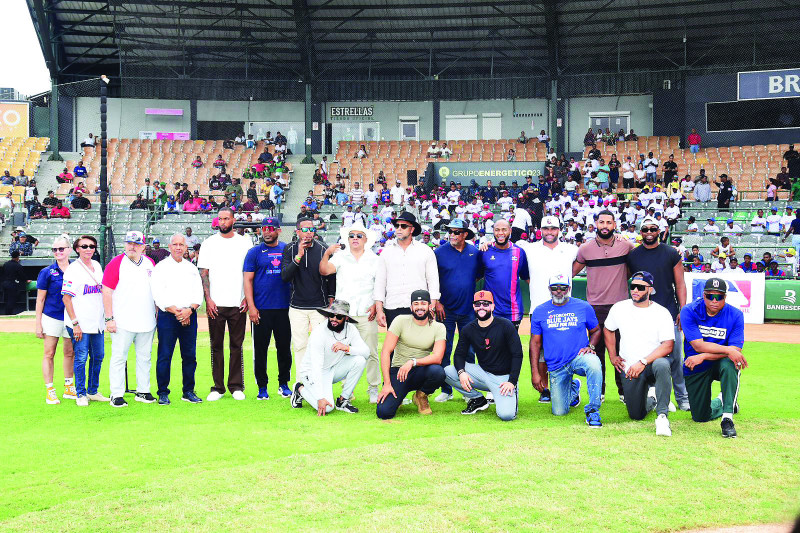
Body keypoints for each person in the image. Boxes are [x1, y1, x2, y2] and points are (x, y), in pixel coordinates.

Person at [626, 217, 690, 411]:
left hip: (669, 313)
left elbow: (680, 283)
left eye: (653, 228)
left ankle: (682, 398)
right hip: (643, 315)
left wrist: (682, 309)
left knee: (676, 358)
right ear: (641, 231)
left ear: (660, 230)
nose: (649, 232)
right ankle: (653, 395)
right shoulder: (633, 255)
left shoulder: (671, 253)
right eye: (645, 229)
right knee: (648, 356)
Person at [604, 271, 676, 436]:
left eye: (640, 287)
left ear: (650, 290)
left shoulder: (661, 312)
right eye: (633, 286)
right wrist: (613, 356)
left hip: (651, 363)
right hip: (629, 367)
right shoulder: (619, 308)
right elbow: (608, 329)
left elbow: (668, 345)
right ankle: (654, 398)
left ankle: (662, 416)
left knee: (662, 364)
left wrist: (643, 362)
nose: (635, 290)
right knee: (636, 415)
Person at [517, 215, 578, 403]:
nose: (549, 232)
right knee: (540, 350)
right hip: (538, 307)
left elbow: (584, 261)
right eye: (546, 229)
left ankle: (568, 385)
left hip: (564, 307)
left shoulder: (571, 249)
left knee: (564, 349)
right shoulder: (529, 248)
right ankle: (544, 389)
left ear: (559, 230)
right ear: (540, 230)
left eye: (553, 229)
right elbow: (507, 247)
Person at [529, 275, 603, 427]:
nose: (558, 291)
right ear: (549, 289)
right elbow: (535, 343)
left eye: (563, 288)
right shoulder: (540, 311)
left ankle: (593, 410)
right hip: (556, 365)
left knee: (594, 363)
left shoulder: (583, 306)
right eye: (554, 288)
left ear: (569, 289)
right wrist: (535, 373)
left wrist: (591, 347)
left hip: (579, 357)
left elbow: (596, 330)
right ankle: (574, 388)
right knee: (560, 411)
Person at [573, 210, 631, 402]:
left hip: (620, 306)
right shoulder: (586, 249)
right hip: (595, 307)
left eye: (609, 222)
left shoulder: (626, 245)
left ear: (615, 225)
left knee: (622, 350)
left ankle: (624, 391)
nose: (605, 226)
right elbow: (569, 273)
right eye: (601, 222)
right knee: (596, 351)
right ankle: (599, 391)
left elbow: (643, 257)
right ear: (595, 224)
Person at [319, 221, 381, 403]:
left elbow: (380, 284)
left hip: (366, 312)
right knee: (342, 352)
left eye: (358, 236)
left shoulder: (375, 259)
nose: (355, 238)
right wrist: (327, 253)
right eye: (352, 235)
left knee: (370, 352)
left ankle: (373, 388)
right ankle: (348, 390)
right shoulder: (340, 257)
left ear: (366, 239)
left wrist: (377, 306)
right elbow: (324, 271)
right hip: (344, 314)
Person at [197, 208, 253, 401]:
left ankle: (236, 386)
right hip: (216, 304)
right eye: (220, 219)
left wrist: (246, 297)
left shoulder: (245, 242)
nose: (222, 222)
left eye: (226, 218)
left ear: (233, 220)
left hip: (238, 303)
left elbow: (249, 273)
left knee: (237, 345)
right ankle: (217, 388)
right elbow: (204, 273)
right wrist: (208, 299)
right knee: (216, 346)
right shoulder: (208, 243)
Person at [680, 278, 746, 438]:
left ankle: (727, 418)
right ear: (703, 295)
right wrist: (725, 351)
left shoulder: (735, 315)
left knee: (731, 363)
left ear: (725, 297)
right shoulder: (689, 311)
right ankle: (722, 401)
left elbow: (735, 350)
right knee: (700, 417)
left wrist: (703, 356)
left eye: (719, 297)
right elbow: (698, 346)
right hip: (695, 366)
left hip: (718, 362)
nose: (714, 301)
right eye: (710, 296)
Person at [443, 290, 522, 420]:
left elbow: (517, 355)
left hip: (503, 379)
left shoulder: (505, 325)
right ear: (473, 306)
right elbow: (458, 355)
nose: (481, 307)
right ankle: (477, 399)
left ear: (492, 306)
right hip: (482, 373)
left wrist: (512, 381)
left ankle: (509, 393)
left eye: (485, 304)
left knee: (506, 415)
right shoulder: (469, 329)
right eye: (478, 304)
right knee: (447, 371)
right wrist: (462, 372)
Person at [102, 231, 157, 407]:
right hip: (122, 320)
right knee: (119, 357)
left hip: (147, 319)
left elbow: (154, 291)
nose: (132, 246)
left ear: (143, 246)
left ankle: (143, 390)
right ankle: (116, 394)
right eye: (129, 243)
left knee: (144, 357)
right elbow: (107, 291)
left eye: (136, 243)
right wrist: (109, 318)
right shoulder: (116, 263)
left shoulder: (150, 263)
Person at [432, 218, 482, 402]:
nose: (452, 235)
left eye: (456, 232)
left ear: (465, 234)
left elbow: (478, 275)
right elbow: (432, 278)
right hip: (445, 310)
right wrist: (436, 301)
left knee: (469, 351)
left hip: (469, 310)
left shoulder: (474, 253)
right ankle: (447, 389)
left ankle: (468, 390)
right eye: (450, 232)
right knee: (444, 350)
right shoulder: (439, 252)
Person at [376, 290, 447, 419]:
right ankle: (399, 396)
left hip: (421, 370)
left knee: (438, 372)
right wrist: (387, 384)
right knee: (384, 412)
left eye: (423, 303)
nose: (420, 307)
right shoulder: (400, 321)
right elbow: (386, 351)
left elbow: (437, 357)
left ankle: (420, 396)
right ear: (411, 307)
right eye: (416, 303)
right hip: (399, 371)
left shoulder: (438, 327)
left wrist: (413, 362)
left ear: (429, 306)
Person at [151, 234, 204, 405]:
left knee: (189, 356)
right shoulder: (160, 267)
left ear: (186, 247)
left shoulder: (191, 268)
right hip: (168, 316)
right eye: (175, 244)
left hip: (189, 315)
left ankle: (188, 391)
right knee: (165, 355)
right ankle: (163, 392)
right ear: (170, 246)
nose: (179, 247)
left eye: (182, 244)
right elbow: (158, 294)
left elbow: (198, 293)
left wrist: (189, 310)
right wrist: (178, 313)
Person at [243, 217, 293, 400]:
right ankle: (262, 387)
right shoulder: (254, 252)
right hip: (261, 310)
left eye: (271, 228)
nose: (266, 231)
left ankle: (283, 384)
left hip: (284, 309)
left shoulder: (287, 249)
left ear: (278, 230)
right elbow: (247, 280)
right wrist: (252, 307)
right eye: (264, 228)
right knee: (261, 350)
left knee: (284, 349)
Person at [290, 300, 368, 415]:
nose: (334, 319)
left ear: (346, 318)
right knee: (327, 408)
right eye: (331, 315)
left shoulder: (351, 329)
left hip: (332, 369)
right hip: (311, 372)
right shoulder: (319, 333)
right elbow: (316, 366)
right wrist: (320, 397)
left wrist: (347, 348)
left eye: (339, 316)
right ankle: (299, 389)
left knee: (360, 361)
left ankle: (343, 400)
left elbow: (366, 352)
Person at [281, 219, 335, 378]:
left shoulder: (323, 249)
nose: (309, 232)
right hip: (297, 307)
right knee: (300, 346)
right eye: (305, 230)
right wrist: (298, 256)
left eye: (311, 229)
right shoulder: (290, 249)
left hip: (320, 306)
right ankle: (301, 382)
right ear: (297, 231)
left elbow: (332, 276)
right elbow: (285, 276)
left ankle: (320, 380)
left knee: (321, 346)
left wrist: (331, 297)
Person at [62, 235, 108, 406]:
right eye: (84, 246)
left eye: (92, 246)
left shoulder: (96, 265)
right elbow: (66, 298)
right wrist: (75, 323)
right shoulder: (72, 269)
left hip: (96, 321)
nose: (88, 249)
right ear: (77, 249)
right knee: (81, 357)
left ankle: (93, 390)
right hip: (79, 322)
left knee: (98, 356)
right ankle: (80, 393)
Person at [374, 212, 440, 330]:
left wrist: (432, 306)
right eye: (397, 226)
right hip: (393, 305)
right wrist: (379, 310)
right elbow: (380, 282)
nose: (399, 229)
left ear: (412, 229)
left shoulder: (425, 251)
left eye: (403, 226)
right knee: (393, 346)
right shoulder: (386, 252)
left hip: (419, 306)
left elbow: (433, 280)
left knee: (420, 346)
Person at [35, 236, 76, 404]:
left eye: (61, 249)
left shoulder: (77, 268)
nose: (58, 252)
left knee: (69, 352)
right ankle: (50, 389)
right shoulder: (47, 272)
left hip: (71, 317)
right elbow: (40, 300)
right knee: (49, 353)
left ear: (69, 250)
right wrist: (38, 323)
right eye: (55, 249)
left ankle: (68, 386)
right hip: (52, 316)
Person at [479, 219, 529, 328]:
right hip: (490, 310)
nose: (500, 233)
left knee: (511, 345)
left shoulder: (519, 252)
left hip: (513, 311)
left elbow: (527, 278)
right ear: (493, 231)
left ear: (510, 231)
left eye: (504, 230)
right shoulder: (485, 251)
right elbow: (476, 277)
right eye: (497, 230)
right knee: (489, 344)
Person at [2, 250, 26, 315]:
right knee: (11, 300)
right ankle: (9, 314)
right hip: (12, 284)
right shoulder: (18, 266)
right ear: (17, 257)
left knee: (7, 300)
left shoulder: (6, 264)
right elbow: (22, 276)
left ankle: (7, 313)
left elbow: (3, 273)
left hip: (5, 284)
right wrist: (26, 280)